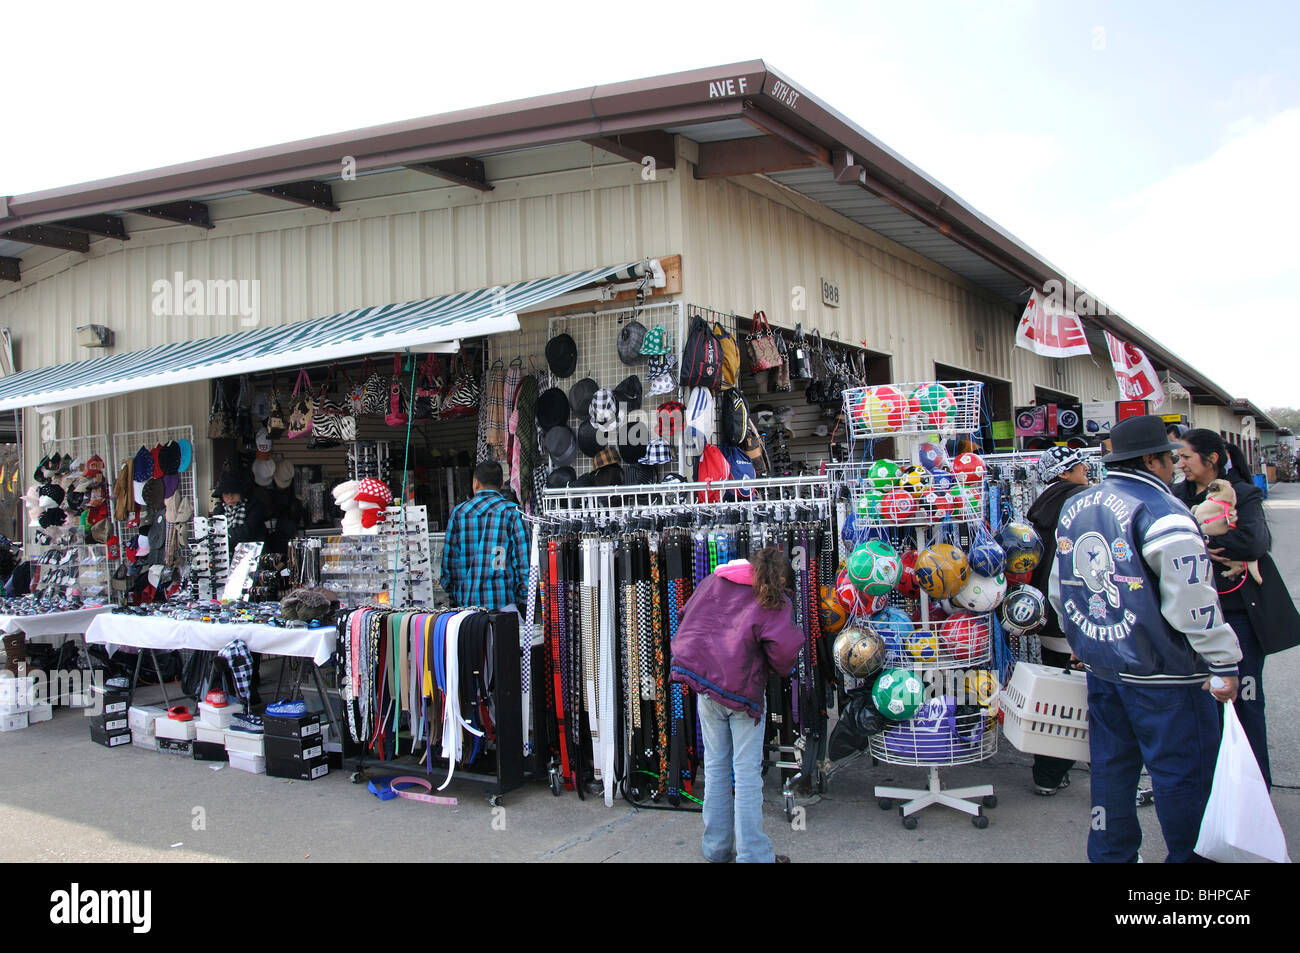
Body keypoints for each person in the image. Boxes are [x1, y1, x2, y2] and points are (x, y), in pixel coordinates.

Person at [1048, 415, 1241, 863]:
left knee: (1111, 771)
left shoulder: (1078, 506)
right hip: (1166, 674)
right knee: (1183, 778)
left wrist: (1082, 638)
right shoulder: (1163, 511)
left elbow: (1062, 588)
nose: (1175, 467)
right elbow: (1192, 599)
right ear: (1153, 460)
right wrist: (1223, 661)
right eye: (1170, 459)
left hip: (1103, 667)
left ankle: (1111, 856)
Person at [1174, 429, 1300, 789]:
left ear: (1212, 459)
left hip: (1239, 615)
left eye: (1186, 457)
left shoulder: (1242, 493)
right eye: (1178, 458)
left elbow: (1254, 543)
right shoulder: (1177, 496)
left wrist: (1201, 542)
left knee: (1244, 702)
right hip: (1195, 618)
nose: (1180, 464)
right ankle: (1215, 788)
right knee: (1201, 707)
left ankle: (1254, 788)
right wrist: (1206, 543)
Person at [670, 548, 804, 864]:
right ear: (782, 578)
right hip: (743, 692)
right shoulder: (773, 599)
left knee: (716, 765)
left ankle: (716, 848)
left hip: (706, 684)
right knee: (746, 774)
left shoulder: (716, 580)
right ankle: (753, 855)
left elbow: (686, 615)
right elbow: (785, 656)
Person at [1025, 445, 1091, 796]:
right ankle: (1103, 767)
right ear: (1064, 473)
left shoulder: (1040, 507)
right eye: (1079, 466)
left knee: (1056, 697)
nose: (1086, 471)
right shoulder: (1082, 503)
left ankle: (1047, 774)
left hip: (1045, 615)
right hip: (1076, 615)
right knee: (1090, 696)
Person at [439, 461, 528, 612]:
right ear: (501, 484)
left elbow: (448, 567)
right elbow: (524, 565)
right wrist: (523, 601)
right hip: (504, 607)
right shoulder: (513, 512)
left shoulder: (459, 513)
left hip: (466, 609)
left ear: (475, 483)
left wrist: (454, 597)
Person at [214, 467, 266, 553]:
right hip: (226, 555)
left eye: (234, 492)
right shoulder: (219, 511)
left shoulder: (254, 507)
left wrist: (224, 535)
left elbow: (247, 533)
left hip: (254, 553)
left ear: (241, 492)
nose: (230, 497)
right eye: (226, 493)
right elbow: (216, 536)